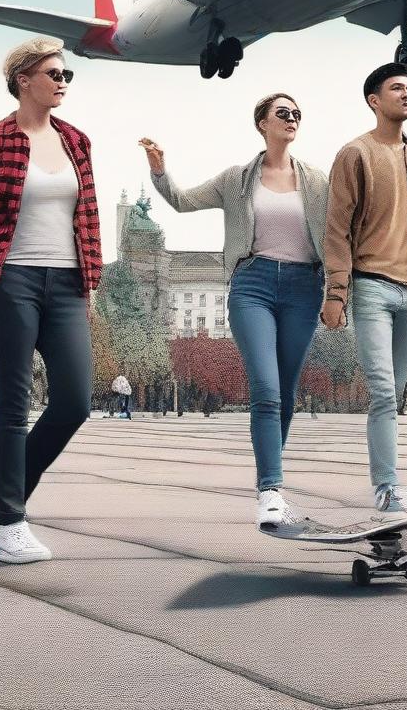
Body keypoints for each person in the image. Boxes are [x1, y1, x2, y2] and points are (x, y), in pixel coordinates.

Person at [0, 38, 102, 564]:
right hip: (11, 280)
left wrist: (91, 282)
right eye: (54, 73)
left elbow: (90, 218)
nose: (63, 82)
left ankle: (8, 489)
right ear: (22, 80)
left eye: (67, 75)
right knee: (14, 405)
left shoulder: (77, 141)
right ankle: (10, 522)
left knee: (75, 402)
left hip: (67, 286)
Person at [140, 92, 328, 527]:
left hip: (305, 286)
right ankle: (270, 490)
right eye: (283, 112)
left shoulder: (317, 181)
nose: (292, 119)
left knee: (286, 390)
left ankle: (271, 481)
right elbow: (183, 201)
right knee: (265, 386)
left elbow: (341, 229)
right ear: (262, 123)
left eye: (298, 114)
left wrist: (339, 289)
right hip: (253, 285)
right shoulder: (236, 179)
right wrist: (159, 171)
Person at [322, 63, 407, 515]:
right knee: (383, 392)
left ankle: (388, 483)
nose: (406, 94)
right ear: (374, 100)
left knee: (397, 387)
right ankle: (388, 488)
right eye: (396, 88)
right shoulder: (355, 153)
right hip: (372, 287)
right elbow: (336, 228)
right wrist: (336, 292)